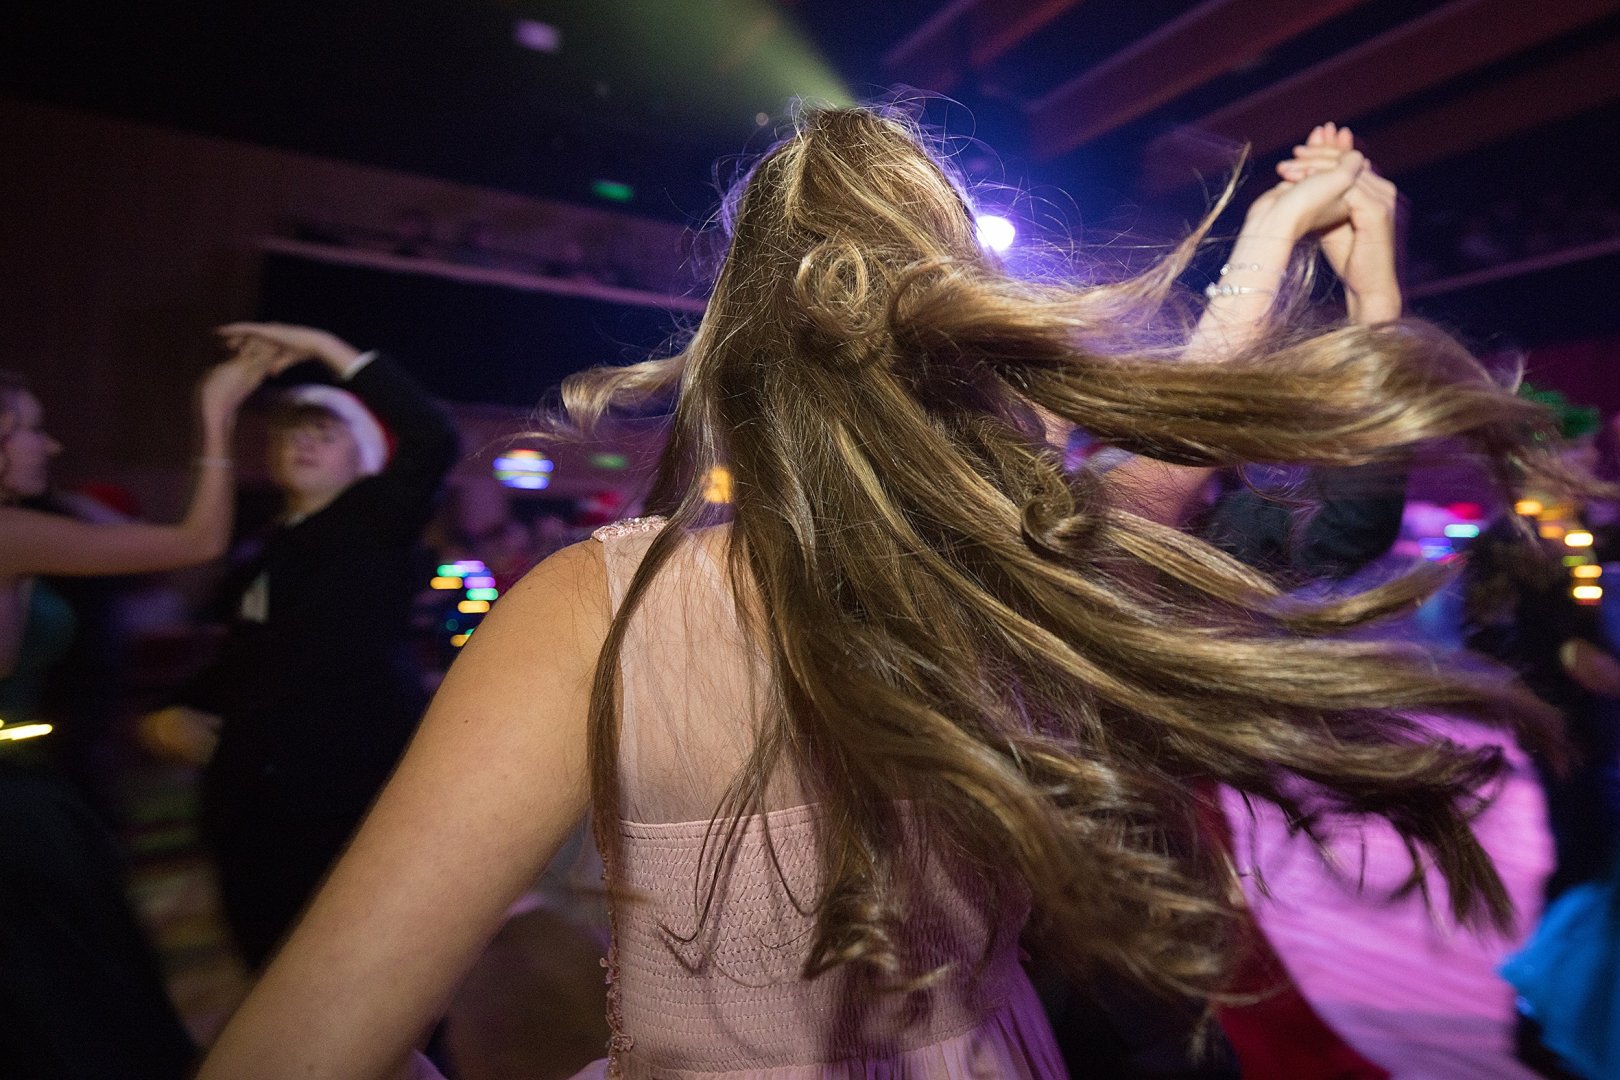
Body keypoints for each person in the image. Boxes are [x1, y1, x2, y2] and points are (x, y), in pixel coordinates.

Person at [198, 108, 1578, 1080]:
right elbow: (1208, 428)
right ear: (964, 328)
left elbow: (297, 1054)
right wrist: (1282, 240)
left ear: (735, 344)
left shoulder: (585, 610)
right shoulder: (1026, 567)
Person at [0, 346, 271, 1079]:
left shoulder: (25, 523)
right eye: (32, 429)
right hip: (14, 801)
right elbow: (197, 542)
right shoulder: (9, 532)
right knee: (67, 999)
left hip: (28, 775)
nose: (52, 445)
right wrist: (216, 413)